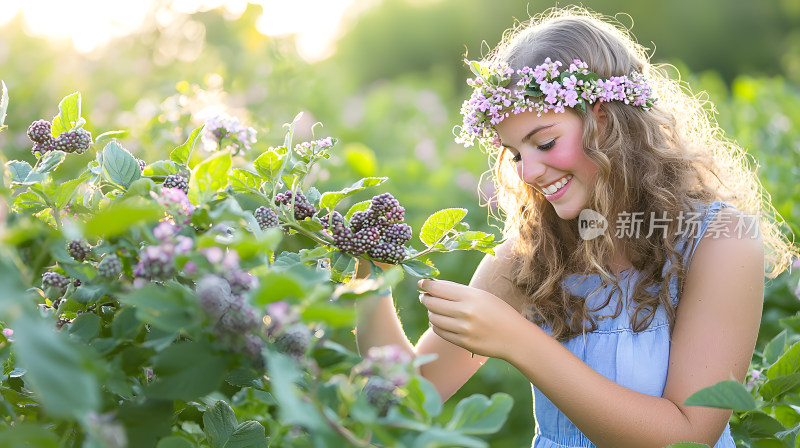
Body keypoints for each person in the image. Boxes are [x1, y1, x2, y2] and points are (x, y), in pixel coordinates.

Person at [354, 6, 796, 448]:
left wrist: (518, 341)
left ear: (603, 120)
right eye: (514, 154)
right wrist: (368, 276)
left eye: (544, 142)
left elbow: (689, 436)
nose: (528, 172)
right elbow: (402, 400)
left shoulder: (720, 241)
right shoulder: (527, 257)